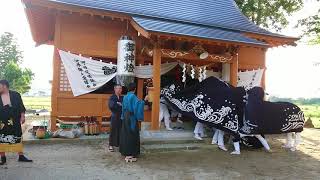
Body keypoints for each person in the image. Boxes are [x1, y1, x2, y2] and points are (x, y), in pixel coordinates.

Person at [0, 80, 32, 165]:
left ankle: (21, 156)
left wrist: (22, 116)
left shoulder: (16, 95)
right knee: (1, 138)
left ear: (4, 86)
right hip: (2, 122)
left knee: (17, 136)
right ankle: (3, 158)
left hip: (15, 120)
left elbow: (21, 106)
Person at [119, 83, 144, 163]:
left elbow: (123, 107)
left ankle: (126, 153)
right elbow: (137, 106)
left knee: (126, 134)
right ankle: (129, 155)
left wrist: (122, 116)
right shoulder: (133, 96)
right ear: (135, 89)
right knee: (131, 135)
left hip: (126, 117)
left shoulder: (125, 96)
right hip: (131, 118)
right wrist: (144, 101)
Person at [108, 84, 123, 152]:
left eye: (120, 88)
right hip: (114, 115)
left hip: (121, 116)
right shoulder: (112, 97)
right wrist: (119, 104)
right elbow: (111, 105)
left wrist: (119, 104)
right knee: (113, 130)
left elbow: (124, 105)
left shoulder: (122, 97)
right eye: (118, 88)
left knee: (120, 130)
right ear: (115, 89)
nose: (119, 90)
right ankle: (111, 145)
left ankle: (119, 144)